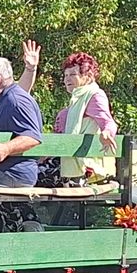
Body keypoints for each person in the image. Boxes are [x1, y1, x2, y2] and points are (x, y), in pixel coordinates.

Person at [0, 56, 45, 232]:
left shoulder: (16, 100)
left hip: (11, 175)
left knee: (5, 227)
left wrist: (6, 148)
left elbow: (32, 136)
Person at [53, 52, 118, 183]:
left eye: (72, 74)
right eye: (65, 75)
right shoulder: (76, 100)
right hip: (71, 168)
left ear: (88, 76)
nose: (67, 79)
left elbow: (108, 122)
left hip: (86, 171)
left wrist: (106, 133)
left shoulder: (94, 95)